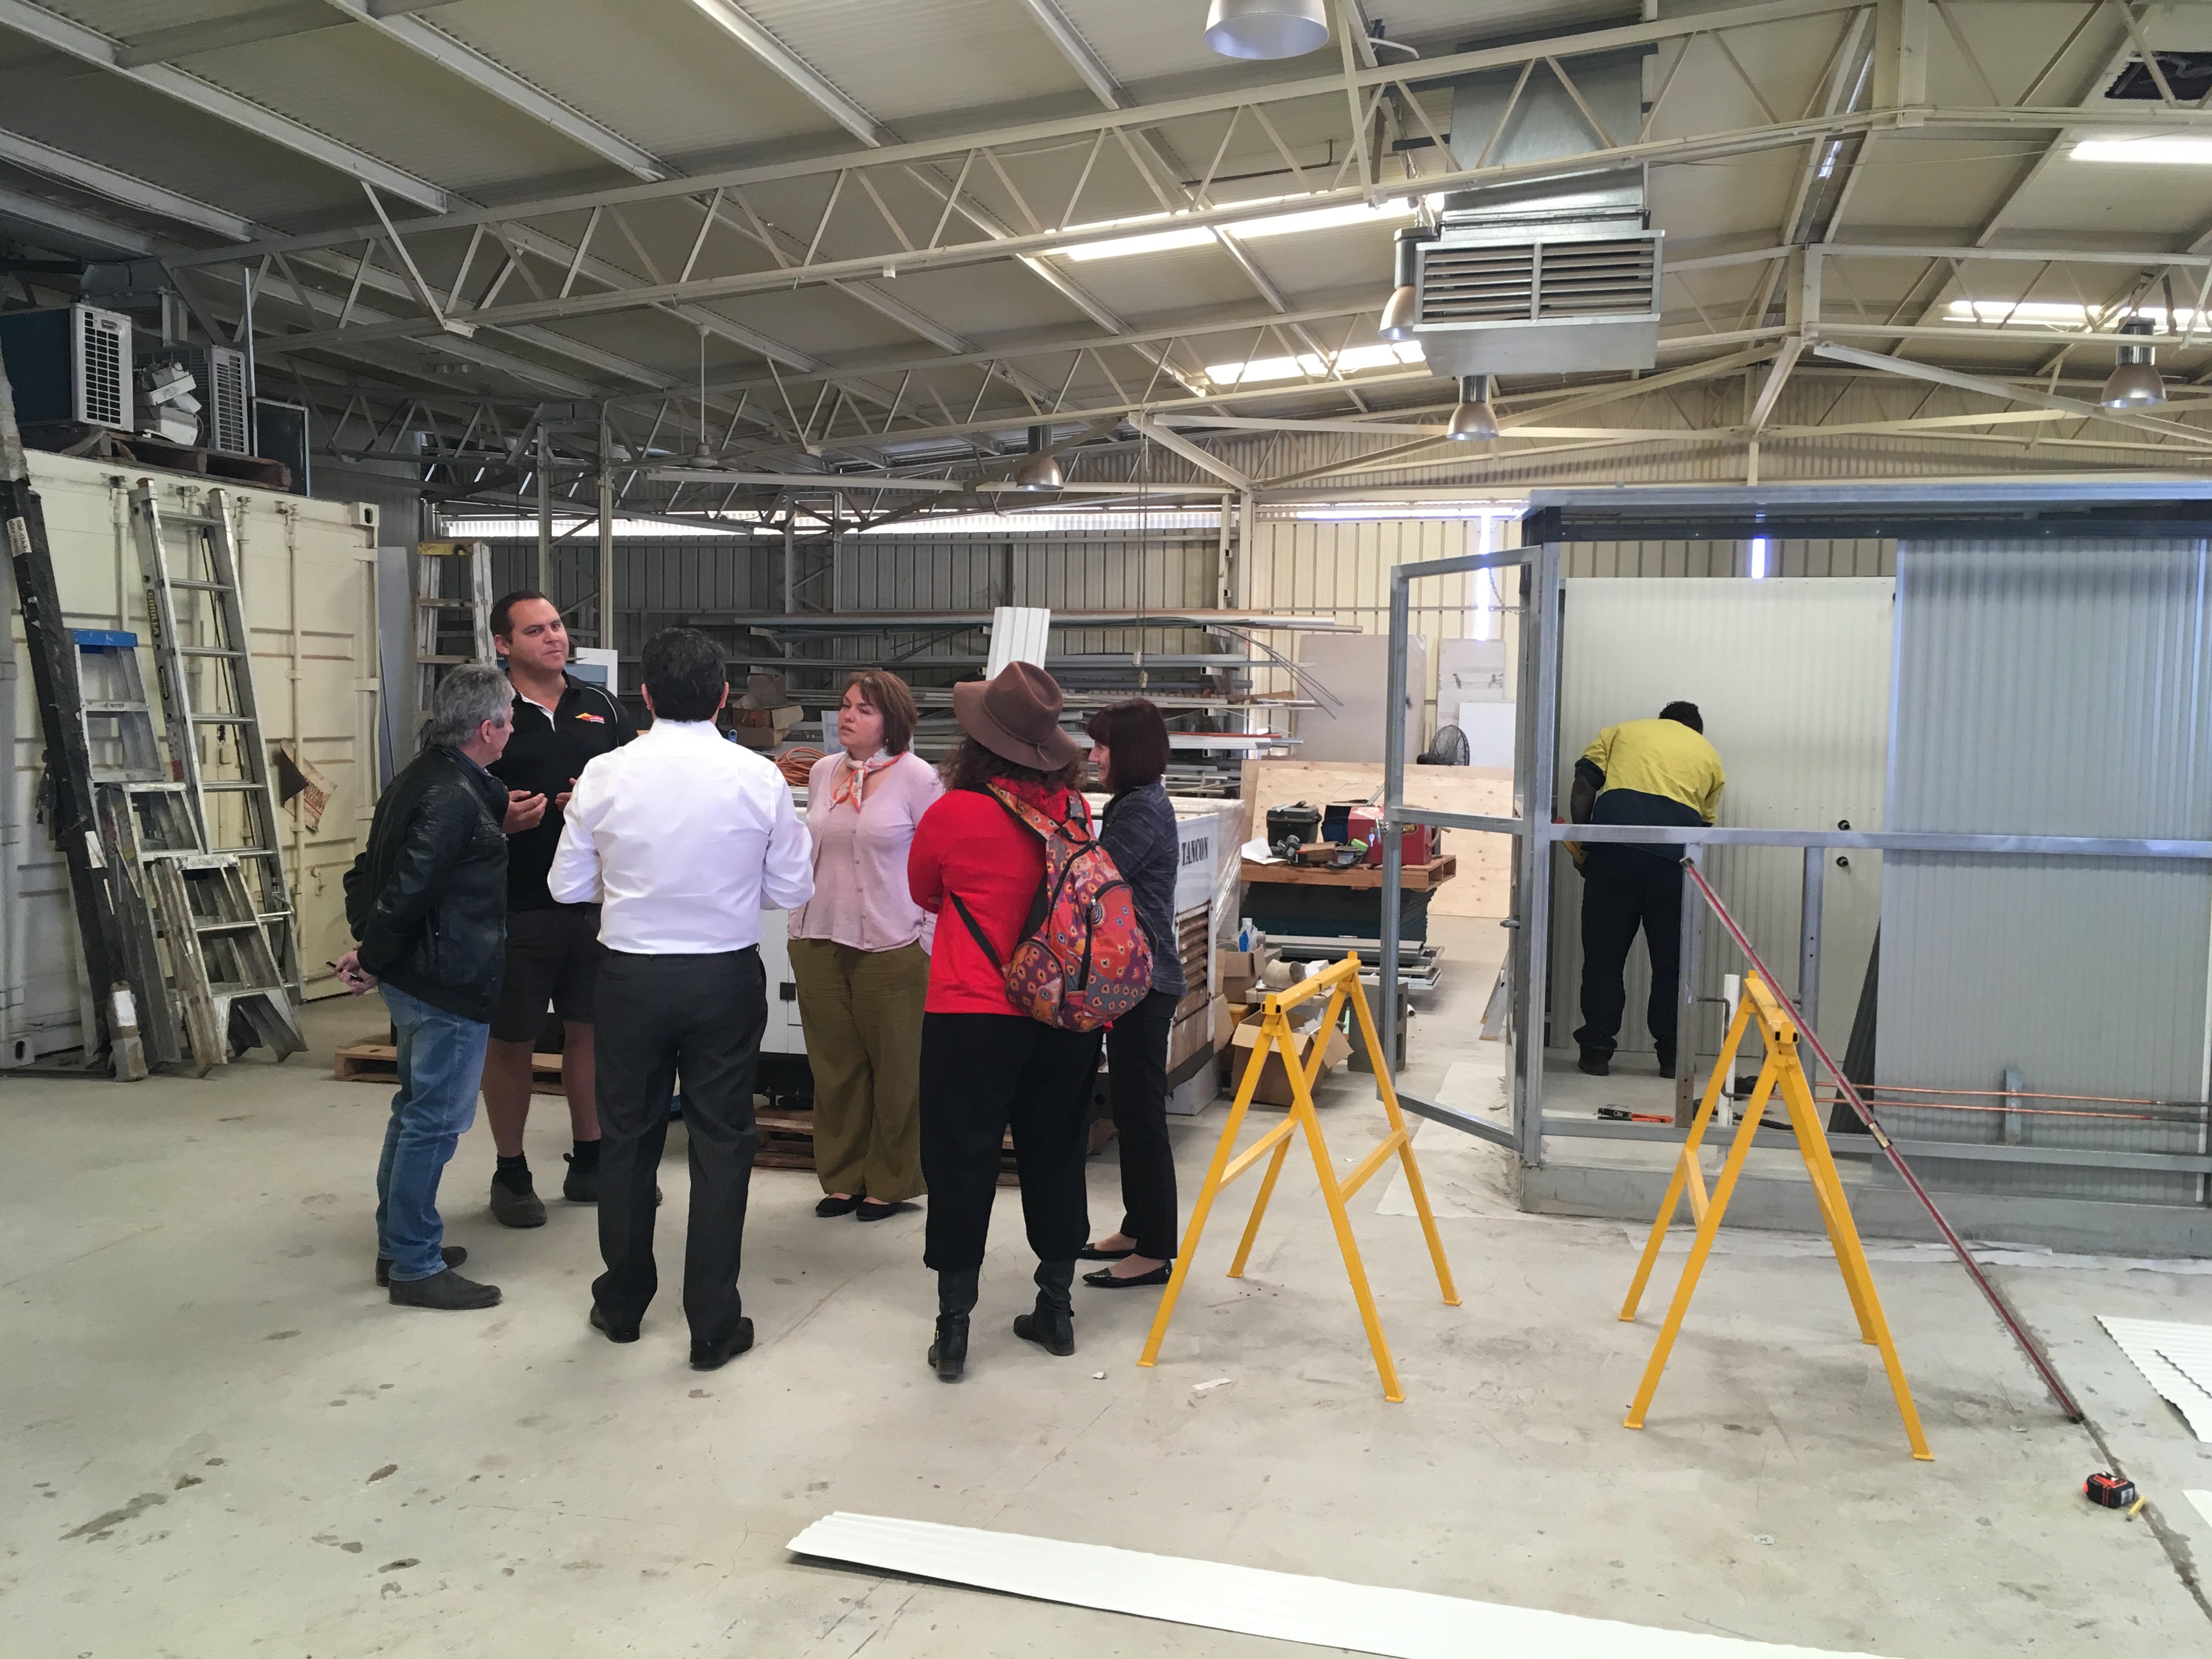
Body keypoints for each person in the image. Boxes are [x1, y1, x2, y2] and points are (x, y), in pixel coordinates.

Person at [548, 628, 812, 1371]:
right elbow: (793, 888)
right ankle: (712, 1323)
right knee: (722, 1142)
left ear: (645, 697)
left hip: (629, 976)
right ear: (725, 696)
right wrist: (727, 894)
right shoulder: (756, 777)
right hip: (722, 975)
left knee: (627, 1139)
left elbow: (566, 886)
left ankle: (623, 1305)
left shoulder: (604, 773)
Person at [907, 662, 1105, 1383]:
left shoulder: (952, 814)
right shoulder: (1076, 815)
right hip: (1063, 1010)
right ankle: (1056, 1311)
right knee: (1057, 1152)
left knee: (961, 1160)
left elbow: (923, 892)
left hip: (970, 1011)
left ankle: (954, 1329)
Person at [337, 664, 516, 1312]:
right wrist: (372, 958)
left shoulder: (425, 776)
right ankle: (414, 1263)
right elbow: (408, 888)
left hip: (421, 978)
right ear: (490, 728)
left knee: (414, 1113)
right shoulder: (452, 799)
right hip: (446, 984)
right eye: (510, 722)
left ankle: (400, 1242)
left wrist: (375, 952)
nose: (511, 732)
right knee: (433, 1125)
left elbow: (368, 872)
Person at [481, 590, 635, 1228]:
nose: (554, 638)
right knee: (512, 1037)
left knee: (590, 1030)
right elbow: (449, 793)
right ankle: (511, 1170)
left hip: (596, 904)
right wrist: (499, 821)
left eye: (557, 626)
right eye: (536, 630)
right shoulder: (488, 710)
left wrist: (600, 807)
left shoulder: (599, 706)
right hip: (517, 904)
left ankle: (591, 1158)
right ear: (503, 645)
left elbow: (637, 783)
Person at [789, 670, 943, 1223]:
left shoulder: (918, 779)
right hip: (819, 934)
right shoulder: (826, 771)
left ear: (892, 722)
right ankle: (843, 1177)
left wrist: (924, 936)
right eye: (846, 706)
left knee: (897, 1069)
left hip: (891, 943)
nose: (849, 716)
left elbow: (938, 865)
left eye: (865, 709)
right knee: (836, 1067)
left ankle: (891, 1181)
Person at [1078, 699, 1184, 1290]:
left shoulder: (1142, 811)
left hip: (1144, 981)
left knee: (1143, 1116)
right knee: (1128, 1109)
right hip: (1129, 982)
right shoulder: (1132, 803)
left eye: (1102, 746)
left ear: (1130, 751)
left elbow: (1094, 876)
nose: (1094, 756)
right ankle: (1137, 1226)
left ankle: (1155, 1250)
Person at [1569, 701, 1725, 1079]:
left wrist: (1586, 846)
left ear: (1662, 721)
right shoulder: (1709, 756)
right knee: (1673, 966)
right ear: (1695, 730)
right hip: (1674, 864)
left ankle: (1596, 1055)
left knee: (1604, 960)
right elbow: (1702, 830)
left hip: (1615, 855)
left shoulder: (1622, 730)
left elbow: (1583, 785)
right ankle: (1673, 1060)